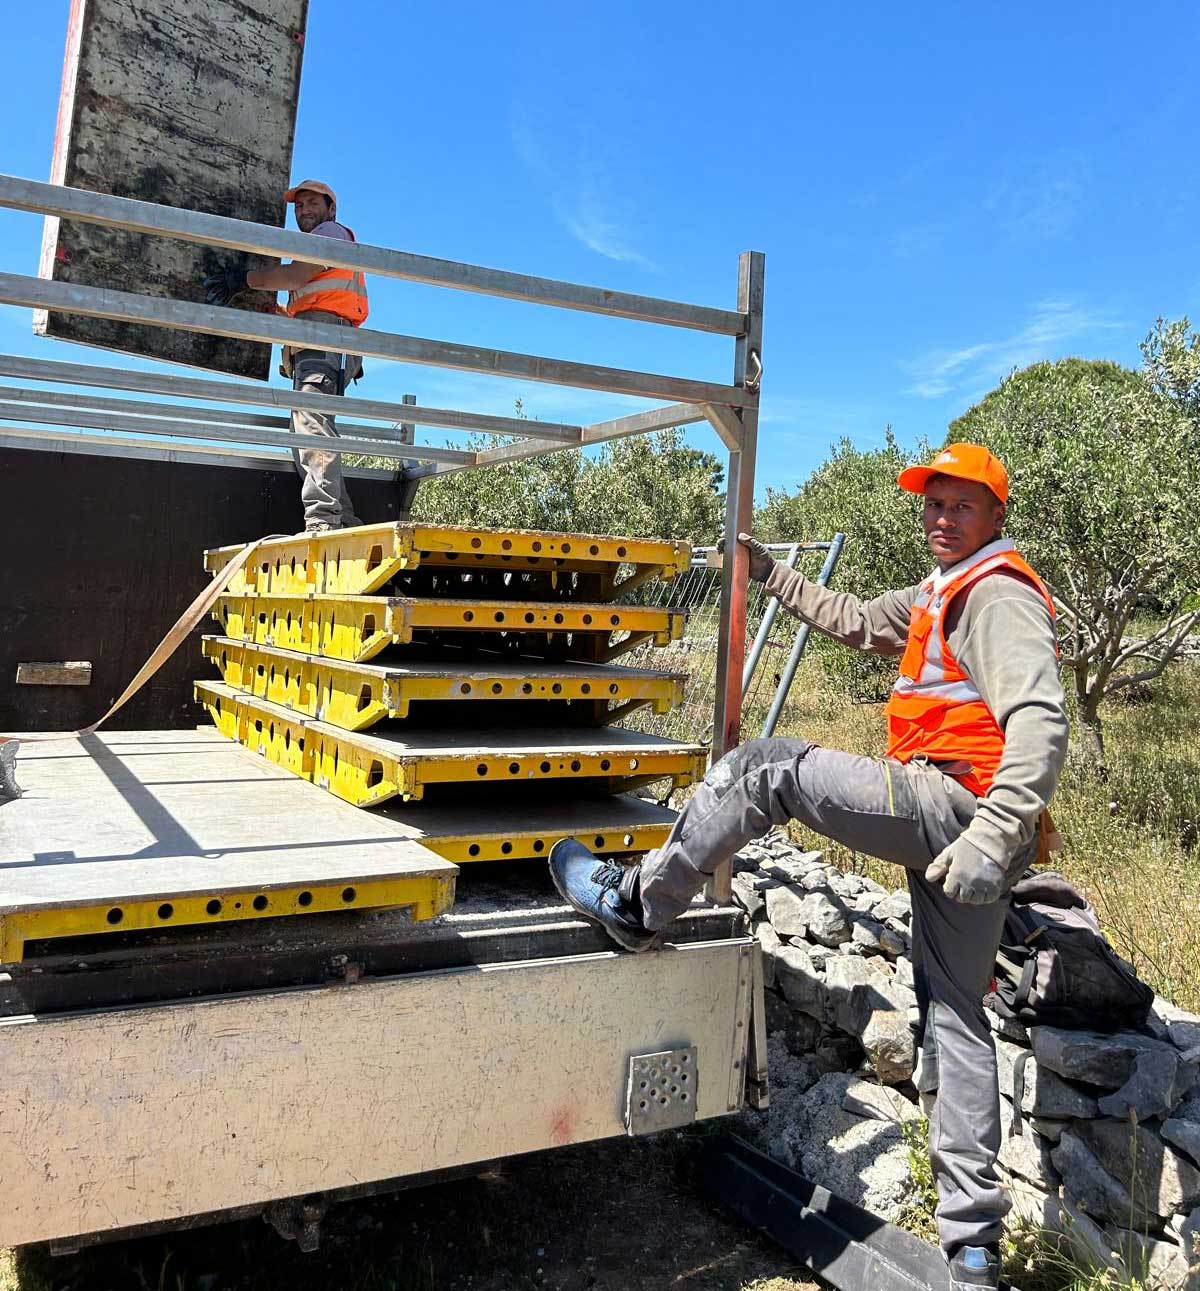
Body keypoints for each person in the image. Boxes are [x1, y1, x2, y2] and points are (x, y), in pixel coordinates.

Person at [548, 443, 1068, 1290]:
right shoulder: (945, 589)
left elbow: (1041, 718)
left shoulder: (997, 594)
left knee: (766, 768)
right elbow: (857, 619)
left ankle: (639, 902)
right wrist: (769, 574)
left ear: (995, 516)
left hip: (958, 811)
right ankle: (974, 1253)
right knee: (956, 1015)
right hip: (967, 826)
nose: (942, 517)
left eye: (961, 506)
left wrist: (994, 832)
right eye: (932, 504)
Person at [204, 180, 369, 532]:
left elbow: (294, 276)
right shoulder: (312, 247)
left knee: (311, 430)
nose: (304, 210)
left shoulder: (332, 234)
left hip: (325, 343)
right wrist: (276, 313)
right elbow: (310, 301)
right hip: (315, 344)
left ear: (330, 210)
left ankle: (324, 521)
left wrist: (243, 279)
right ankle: (344, 520)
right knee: (306, 435)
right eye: (299, 206)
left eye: (312, 203)